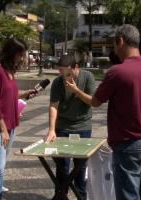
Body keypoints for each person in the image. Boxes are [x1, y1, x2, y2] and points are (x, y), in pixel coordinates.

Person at [66, 24, 141, 200]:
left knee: (128, 195)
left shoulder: (117, 72)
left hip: (129, 144)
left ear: (120, 41)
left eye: (114, 45)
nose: (114, 50)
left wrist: (76, 91)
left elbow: (95, 102)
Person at [0, 38, 35, 200]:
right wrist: (3, 129)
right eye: (20, 55)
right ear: (12, 53)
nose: (22, 58)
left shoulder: (10, 72)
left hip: (10, 125)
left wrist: (24, 94)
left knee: (0, 167)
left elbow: (8, 96)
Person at [44, 54, 95, 200]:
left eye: (67, 72)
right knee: (62, 167)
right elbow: (53, 106)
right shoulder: (58, 82)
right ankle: (61, 195)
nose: (63, 75)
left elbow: (93, 101)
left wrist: (76, 91)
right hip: (63, 126)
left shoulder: (88, 77)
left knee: (80, 167)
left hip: (82, 126)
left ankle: (81, 196)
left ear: (75, 68)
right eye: (60, 72)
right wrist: (52, 129)